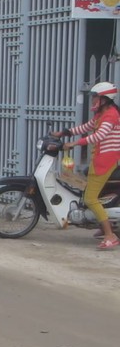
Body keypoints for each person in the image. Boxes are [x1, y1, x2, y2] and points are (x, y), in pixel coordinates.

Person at [51, 81, 120, 250]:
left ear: (104, 98)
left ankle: (110, 236)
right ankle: (103, 227)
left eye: (95, 96)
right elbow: (86, 127)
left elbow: (98, 136)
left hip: (105, 162)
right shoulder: (100, 114)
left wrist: (73, 144)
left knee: (90, 199)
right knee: (90, 194)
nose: (93, 99)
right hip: (99, 160)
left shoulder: (111, 115)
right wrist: (64, 133)